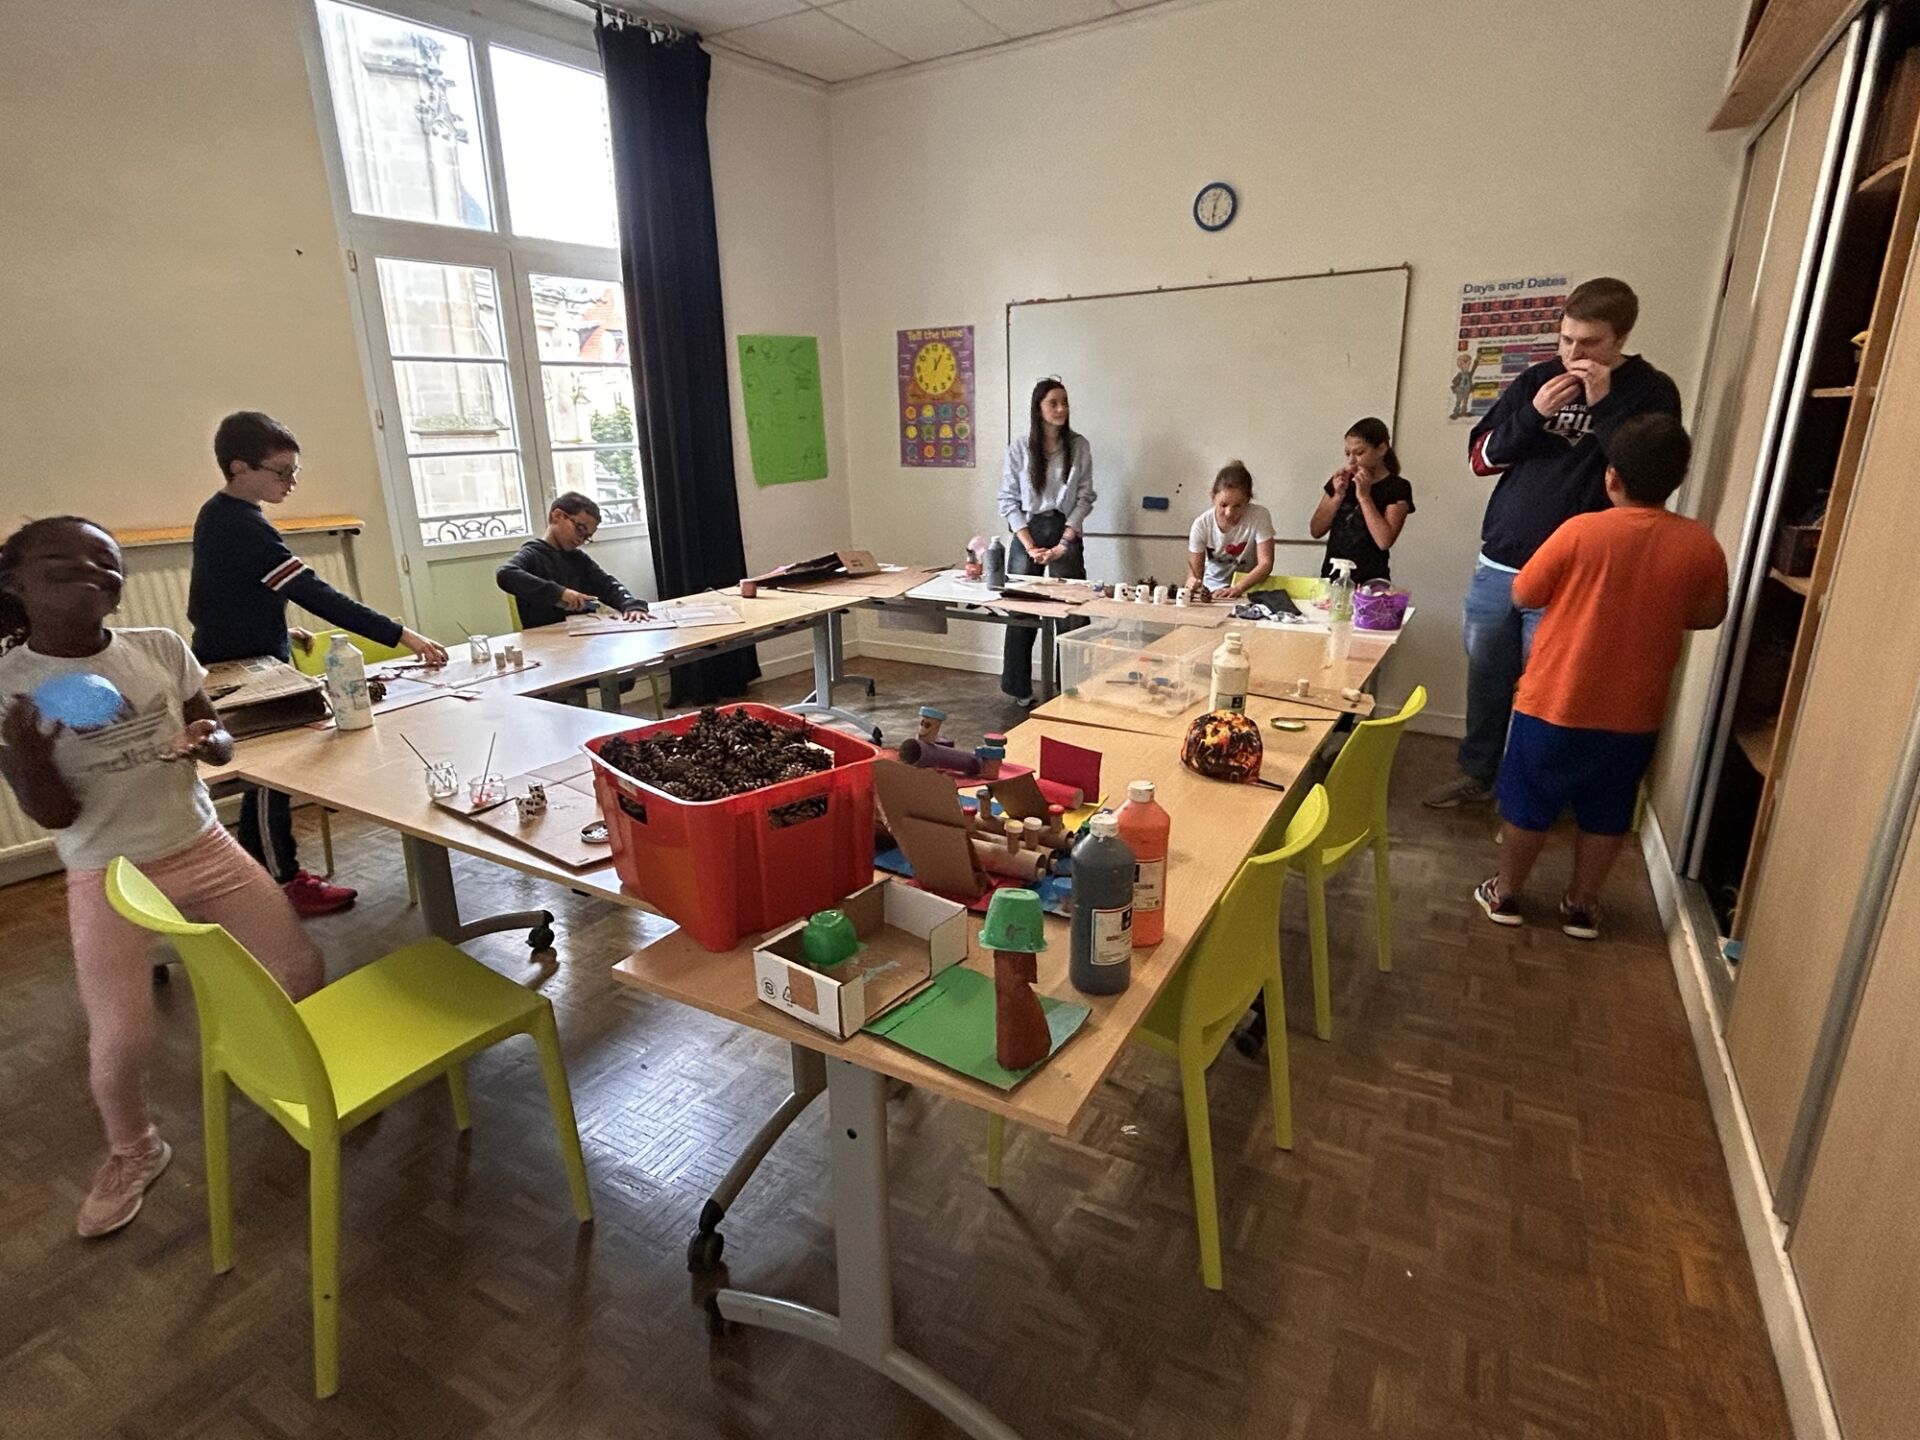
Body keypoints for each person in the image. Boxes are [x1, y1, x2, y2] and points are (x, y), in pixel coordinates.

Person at [0, 516, 325, 1238]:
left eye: (106, 560)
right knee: (121, 1040)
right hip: (108, 873)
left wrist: (211, 739)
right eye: (63, 562)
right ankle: (134, 1149)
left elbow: (219, 745)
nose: (92, 571)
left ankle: (292, 1078)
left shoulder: (159, 647)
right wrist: (27, 755)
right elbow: (55, 816)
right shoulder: (9, 686)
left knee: (300, 967)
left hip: (201, 844)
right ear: (15, 583)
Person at [1426, 277, 1683, 809]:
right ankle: (1478, 776)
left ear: (1621, 338)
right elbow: (1481, 459)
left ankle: (1532, 797)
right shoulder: (1538, 379)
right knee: (1487, 680)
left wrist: (1604, 406)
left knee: (1549, 694)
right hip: (1500, 563)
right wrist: (1534, 413)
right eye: (1565, 339)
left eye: (1589, 343)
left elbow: (1645, 479)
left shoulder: (1651, 391)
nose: (1573, 354)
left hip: (1577, 576)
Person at [1473, 415, 1727, 940]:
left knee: (1527, 800)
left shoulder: (1579, 531)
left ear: (1612, 476)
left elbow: (1522, 594)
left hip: (1554, 700)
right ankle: (1582, 906)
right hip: (1635, 712)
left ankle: (1507, 894)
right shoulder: (1700, 543)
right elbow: (1709, 615)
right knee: (1608, 809)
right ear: (1678, 478)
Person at [188, 411, 446, 916]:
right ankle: (282, 883)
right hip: (243, 670)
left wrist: (276, 629)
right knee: (272, 777)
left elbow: (216, 596)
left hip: (249, 654)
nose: (291, 482)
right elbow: (315, 593)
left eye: (294, 471)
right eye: (281, 472)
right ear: (239, 467)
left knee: (269, 779)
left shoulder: (222, 515)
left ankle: (269, 878)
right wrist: (401, 635)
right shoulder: (240, 524)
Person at [997, 378, 1094, 705]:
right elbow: (1007, 500)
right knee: (1021, 609)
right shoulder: (1020, 447)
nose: (1061, 409)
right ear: (1038, 408)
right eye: (1053, 403)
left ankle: (1071, 686)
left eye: (1064, 402)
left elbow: (1085, 498)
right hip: (1027, 529)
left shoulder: (1079, 446)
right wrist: (1028, 545)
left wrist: (1064, 543)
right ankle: (1019, 689)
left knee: (1072, 609)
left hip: (1065, 527)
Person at [495, 492, 650, 629]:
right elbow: (505, 573)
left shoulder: (578, 558)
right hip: (545, 640)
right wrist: (559, 593)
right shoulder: (532, 554)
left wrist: (631, 605)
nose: (580, 540)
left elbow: (607, 584)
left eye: (587, 537)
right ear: (557, 516)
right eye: (580, 529)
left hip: (580, 635)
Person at [1308, 418, 1415, 585]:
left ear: (1381, 449)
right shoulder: (1341, 482)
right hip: (1333, 577)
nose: (1351, 460)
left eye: (1359, 453)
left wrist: (1364, 497)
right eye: (1347, 453)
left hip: (1371, 582)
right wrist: (1337, 496)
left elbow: (1384, 541)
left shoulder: (1397, 487)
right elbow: (1315, 530)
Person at [1187, 460, 1275, 599]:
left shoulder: (1260, 516)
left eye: (1238, 506)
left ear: (1248, 501)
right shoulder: (1201, 524)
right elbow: (1195, 573)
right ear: (1213, 497)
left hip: (1248, 589)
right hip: (1213, 591)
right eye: (1223, 505)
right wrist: (1192, 582)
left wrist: (1238, 588)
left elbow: (1266, 563)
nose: (1229, 513)